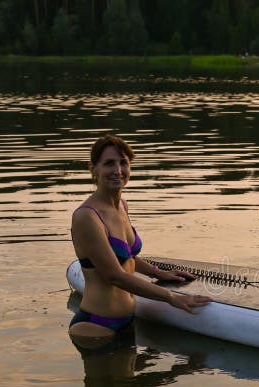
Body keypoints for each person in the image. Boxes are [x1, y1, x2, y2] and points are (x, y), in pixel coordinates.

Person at [69, 134, 210, 345]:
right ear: (93, 168)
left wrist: (157, 272)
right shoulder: (86, 217)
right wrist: (171, 297)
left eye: (123, 163)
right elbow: (114, 275)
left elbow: (127, 259)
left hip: (127, 321)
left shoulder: (121, 205)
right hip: (96, 326)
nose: (118, 171)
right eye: (109, 163)